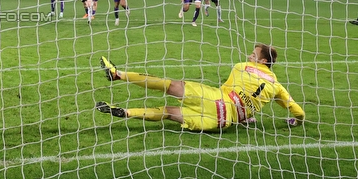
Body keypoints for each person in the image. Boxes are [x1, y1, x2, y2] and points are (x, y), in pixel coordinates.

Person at [95, 43, 304, 132]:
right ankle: (127, 112)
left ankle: (118, 75)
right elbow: (299, 112)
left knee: (170, 85)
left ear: (263, 61)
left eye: (254, 54)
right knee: (169, 113)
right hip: (222, 120)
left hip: (215, 98)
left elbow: (233, 88)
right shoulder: (277, 87)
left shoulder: (243, 67)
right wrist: (296, 120)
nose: (250, 56)